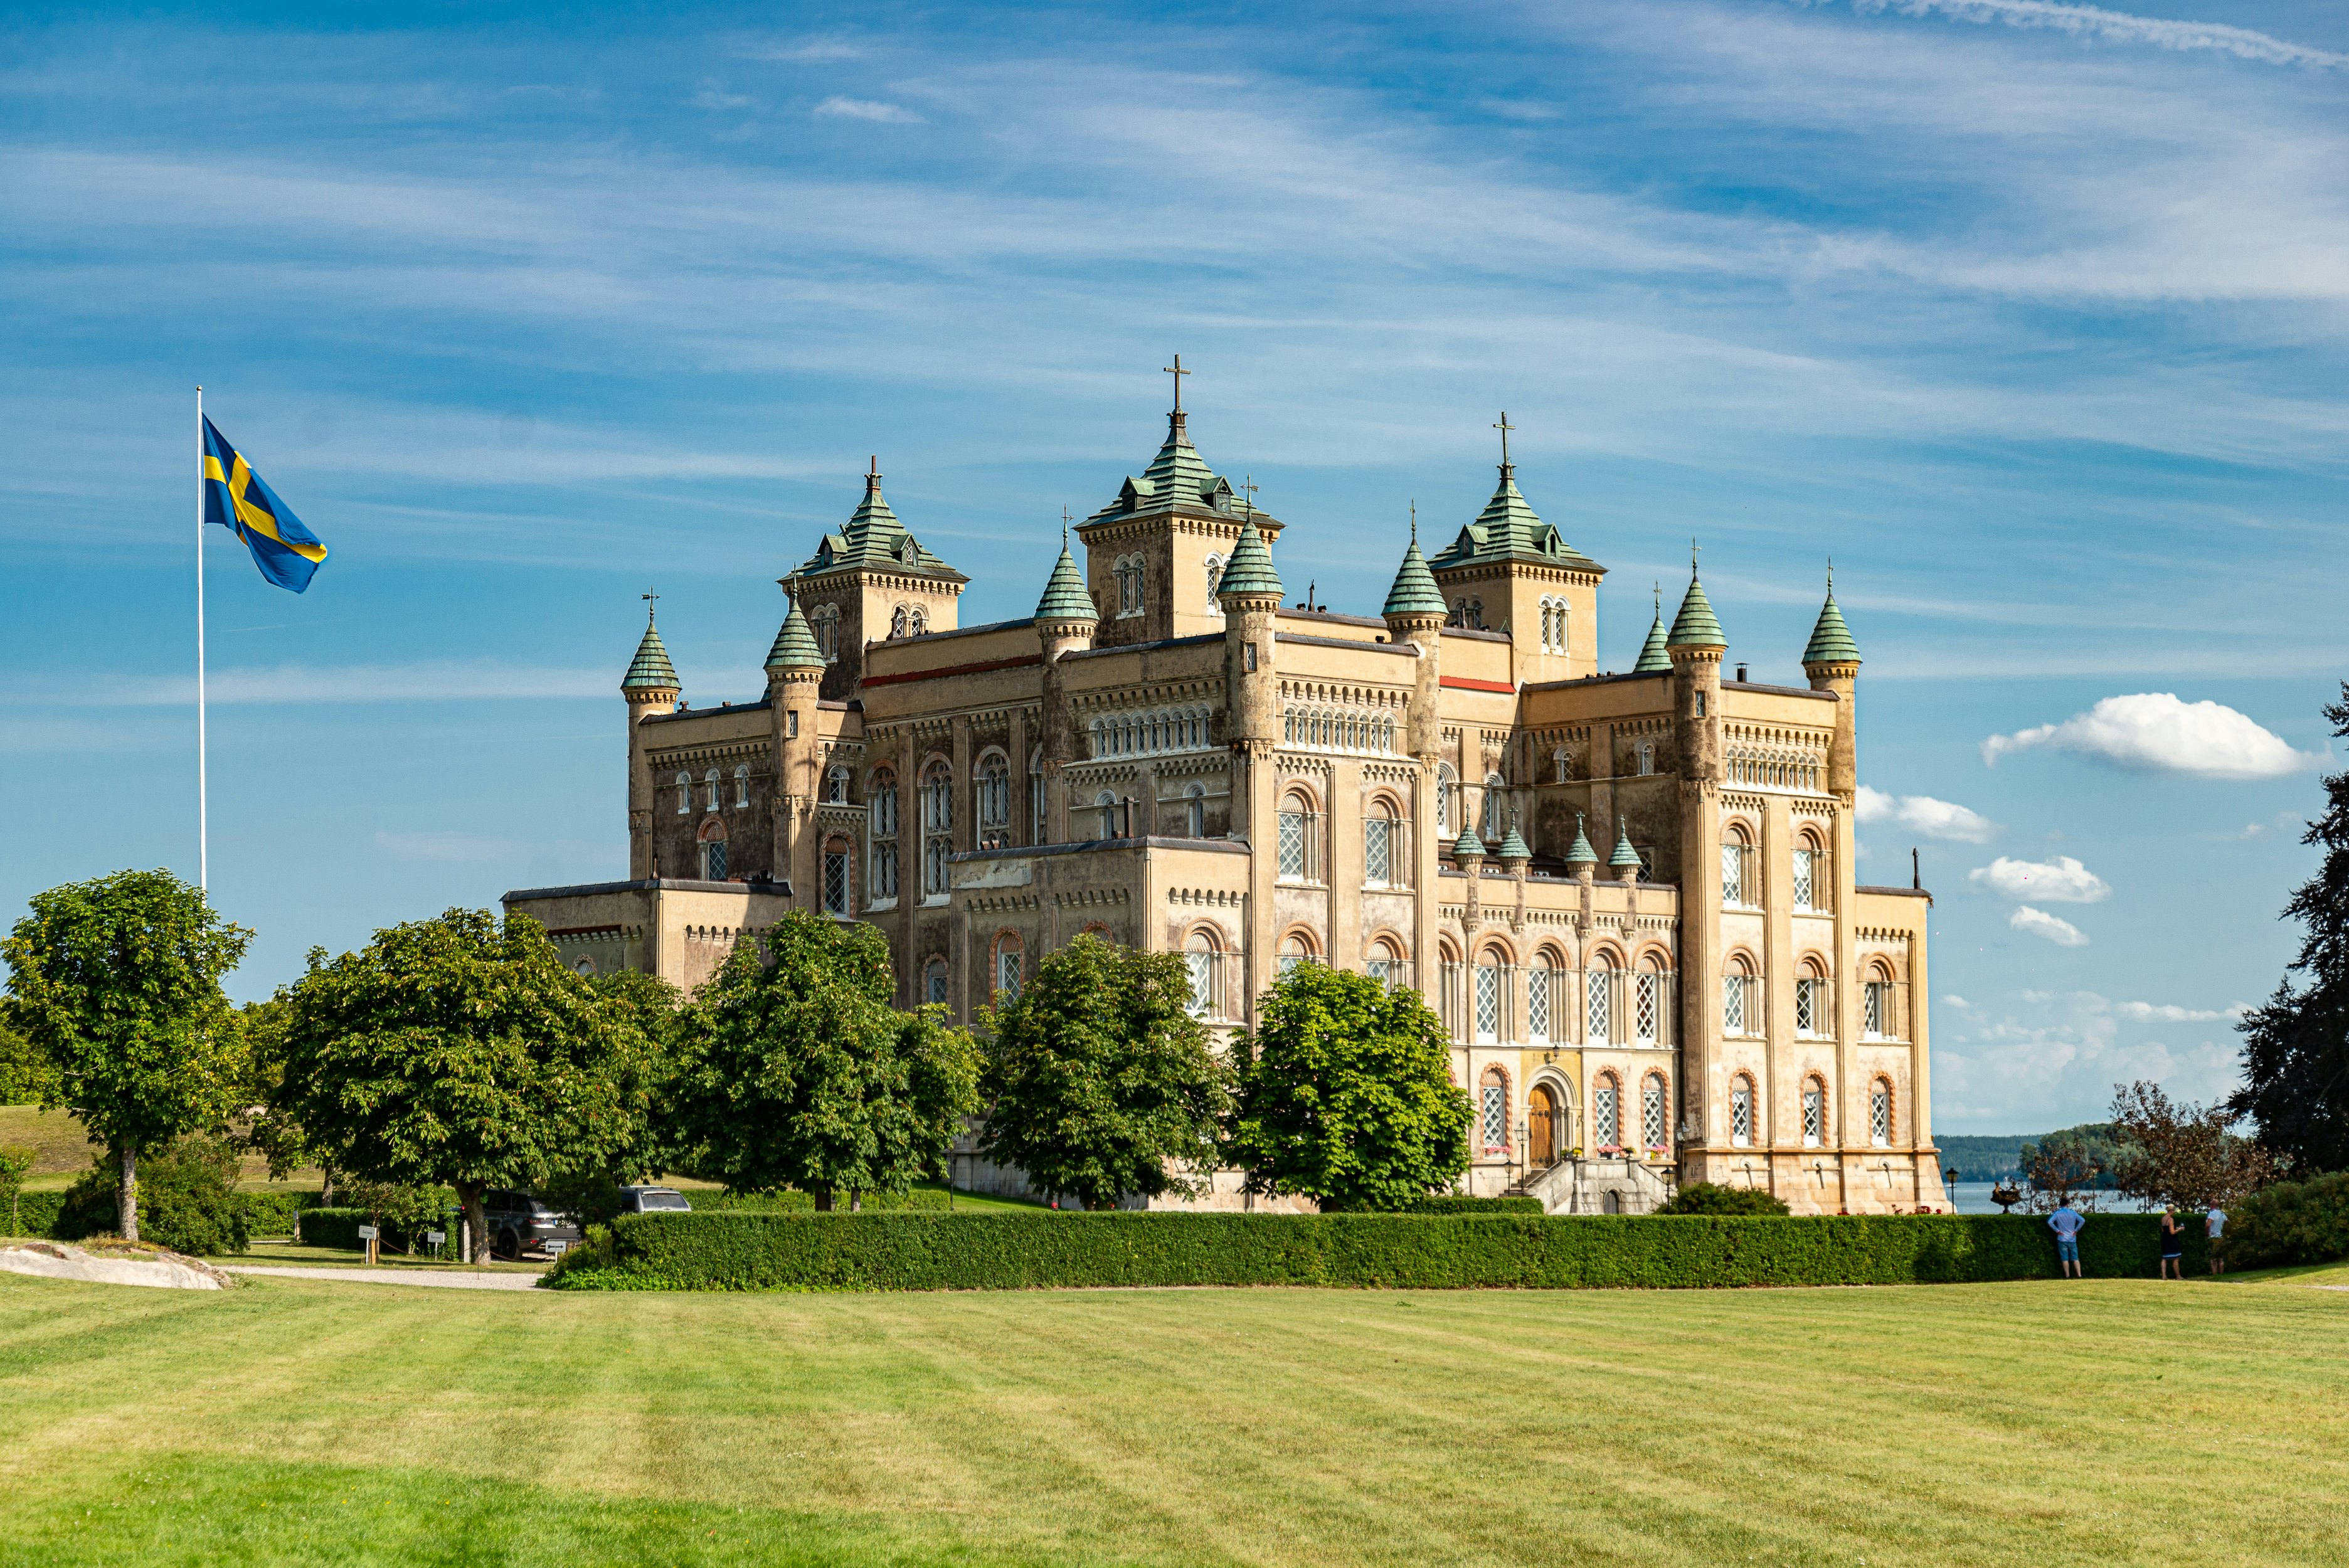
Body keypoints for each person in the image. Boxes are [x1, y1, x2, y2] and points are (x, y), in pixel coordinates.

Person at [2047, 1200, 2086, 1277]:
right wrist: (2076, 1230)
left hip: (2062, 1238)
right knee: (2075, 1257)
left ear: (2060, 1205)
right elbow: (2082, 1220)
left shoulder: (2057, 1214)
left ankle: (2067, 1276)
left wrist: (2057, 1230)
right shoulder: (2072, 1213)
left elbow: (2050, 1222)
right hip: (2072, 1238)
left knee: (2065, 1258)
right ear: (2067, 1204)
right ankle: (2079, 1275)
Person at [2158, 1205, 2186, 1279]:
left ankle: (2164, 1276)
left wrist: (2174, 1228)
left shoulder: (2163, 1218)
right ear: (2171, 1211)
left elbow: (2163, 1230)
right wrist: (2180, 1229)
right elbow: (2172, 1232)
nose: (2174, 1212)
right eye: (2174, 1211)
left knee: (2164, 1258)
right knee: (2176, 1258)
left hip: (2164, 1239)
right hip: (2171, 1240)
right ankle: (2178, 1276)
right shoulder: (2170, 1219)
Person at [2205, 1204, 2227, 1275]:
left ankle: (2215, 1275)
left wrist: (2207, 1233)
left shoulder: (2212, 1214)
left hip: (2213, 1237)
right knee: (2221, 1258)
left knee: (2213, 1258)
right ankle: (2221, 1274)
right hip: (2220, 1237)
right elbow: (2228, 1222)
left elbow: (2208, 1225)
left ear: (2212, 1206)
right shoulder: (2222, 1214)